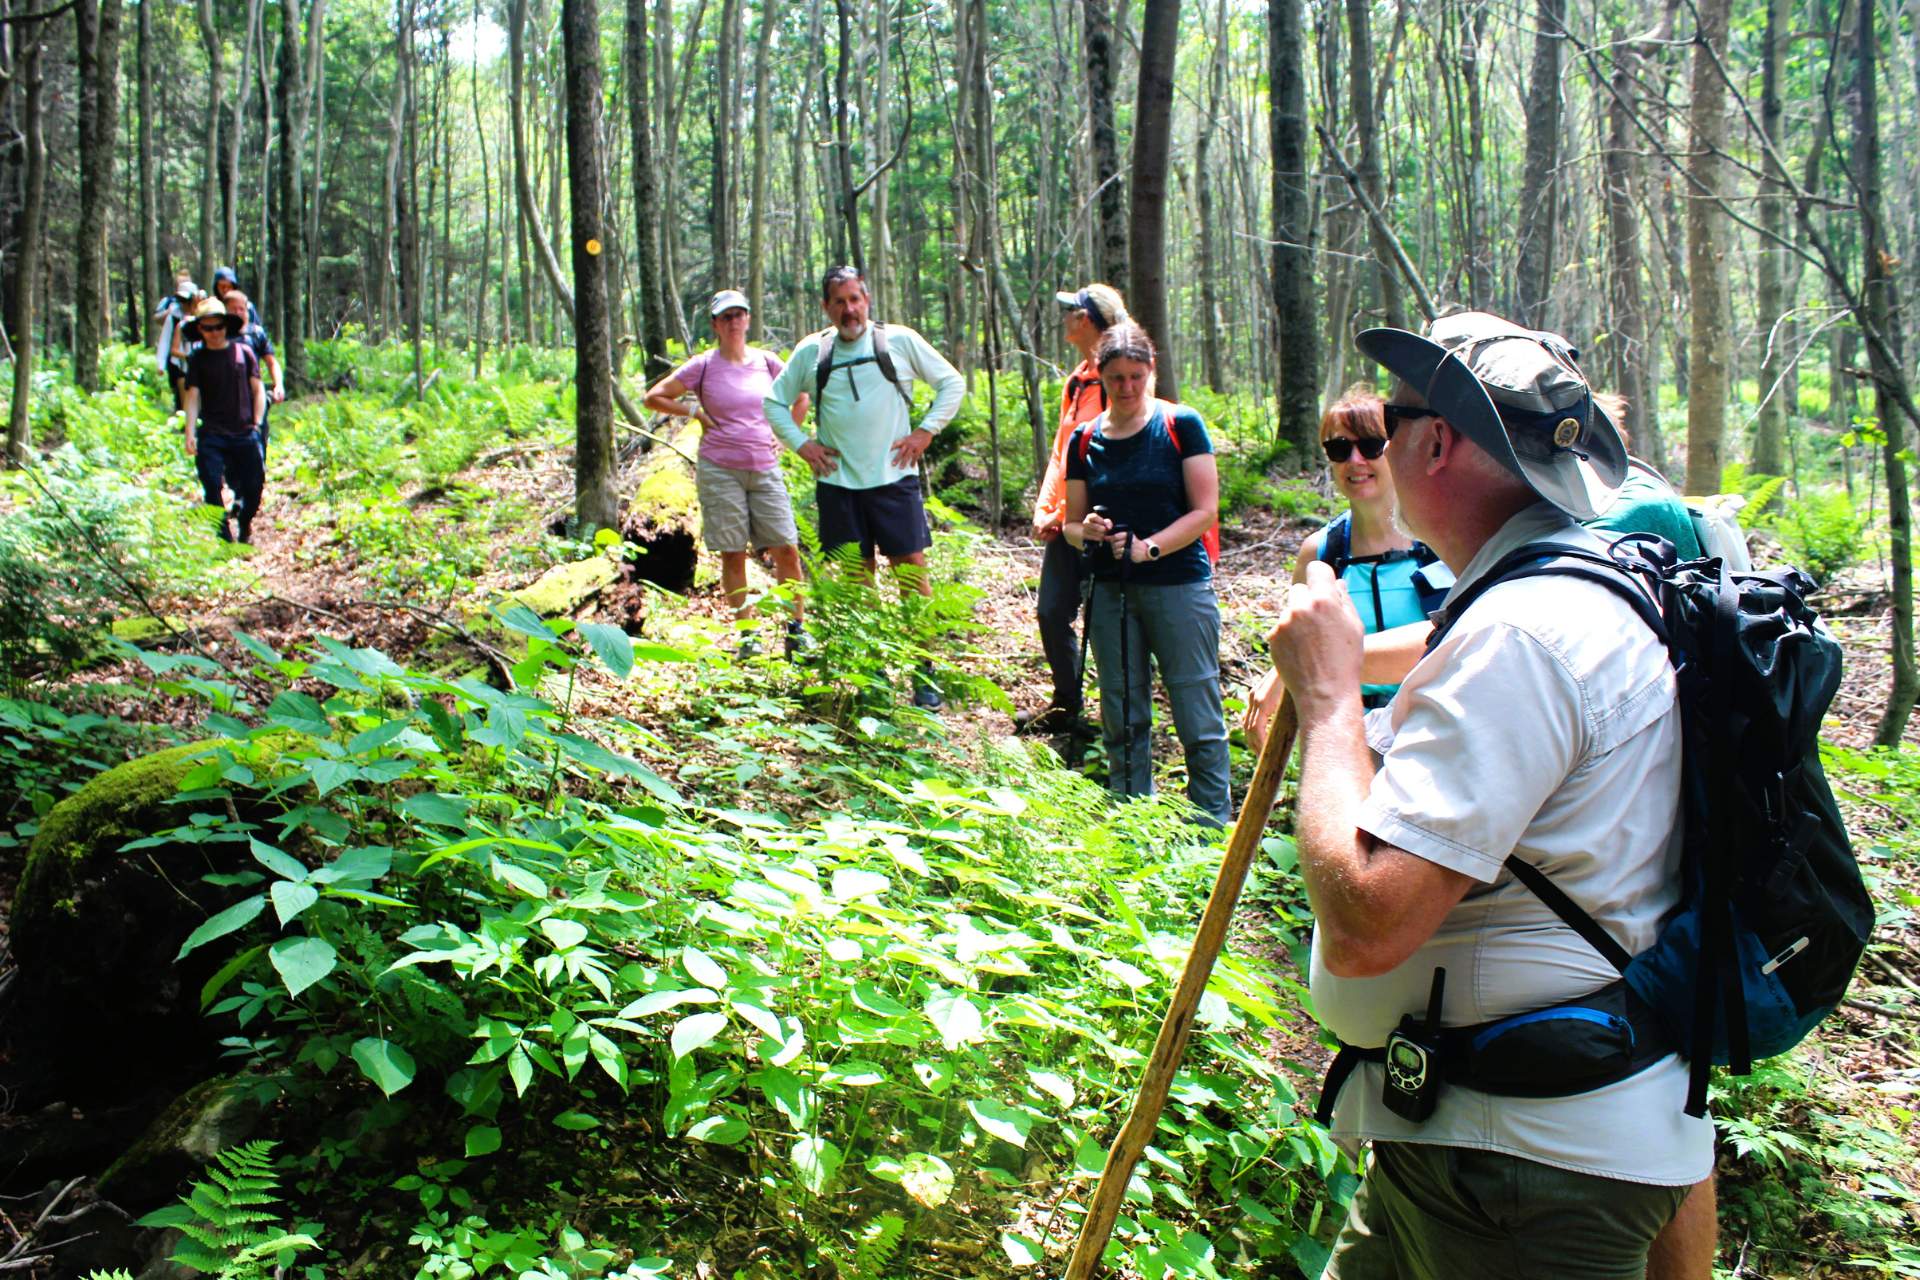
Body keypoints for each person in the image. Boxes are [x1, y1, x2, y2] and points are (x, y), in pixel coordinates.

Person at [1264, 311, 1711, 1279]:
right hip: (1476, 1138)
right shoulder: (1574, 592)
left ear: (1437, 440)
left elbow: (1368, 923)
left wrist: (1333, 698)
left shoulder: (1525, 635)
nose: (1369, 446)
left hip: (1521, 1170)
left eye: (1385, 421)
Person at [763, 265, 965, 709]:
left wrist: (926, 431)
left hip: (894, 479)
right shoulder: (812, 352)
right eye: (839, 301)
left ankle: (922, 669)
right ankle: (873, 669)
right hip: (838, 484)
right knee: (858, 578)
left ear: (867, 300)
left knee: (911, 572)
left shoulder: (900, 341)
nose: (849, 309)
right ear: (826, 307)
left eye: (855, 299)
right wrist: (801, 444)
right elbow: (773, 402)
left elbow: (952, 382)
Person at [1061, 322, 1228, 825]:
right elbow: (1070, 524)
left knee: (1196, 706)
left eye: (1137, 376)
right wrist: (1087, 531)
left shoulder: (1181, 424)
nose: (1128, 387)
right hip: (1110, 591)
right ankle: (1132, 821)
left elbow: (1205, 510)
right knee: (1122, 708)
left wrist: (1148, 549)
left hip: (1179, 585)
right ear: (1100, 378)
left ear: (1151, 372)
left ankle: (1212, 825)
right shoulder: (1084, 438)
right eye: (1117, 378)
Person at [1243, 388, 1448, 755]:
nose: (1355, 460)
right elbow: (1300, 636)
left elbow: (1454, 639)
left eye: (1370, 445)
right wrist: (1285, 668)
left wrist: (1302, 663)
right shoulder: (1321, 553)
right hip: (1351, 738)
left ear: (1394, 448)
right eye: (1339, 449)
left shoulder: (1444, 541)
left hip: (1435, 734)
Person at [646, 289, 812, 657]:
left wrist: (783, 438)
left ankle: (796, 631)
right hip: (720, 470)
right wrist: (695, 413)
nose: (734, 322)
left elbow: (801, 396)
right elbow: (655, 396)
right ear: (715, 325)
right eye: (726, 317)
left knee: (786, 548)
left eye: (739, 315)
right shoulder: (703, 365)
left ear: (748, 319)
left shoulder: (767, 362)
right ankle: (748, 635)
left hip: (765, 468)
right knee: (733, 553)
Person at [1019, 282, 1131, 735]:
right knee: (1051, 611)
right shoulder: (1076, 381)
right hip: (1066, 524)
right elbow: (1062, 452)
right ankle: (1067, 708)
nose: (1064, 318)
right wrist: (1047, 510)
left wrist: (1069, 514)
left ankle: (1120, 720)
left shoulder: (1120, 379)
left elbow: (1116, 457)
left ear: (1085, 319)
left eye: (1071, 311)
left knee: (1106, 624)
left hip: (1106, 523)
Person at [182, 297, 266, 544]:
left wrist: (257, 422)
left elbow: (258, 389)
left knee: (254, 483)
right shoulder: (197, 359)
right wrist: (190, 433)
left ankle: (245, 523)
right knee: (210, 482)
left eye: (218, 327)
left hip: (244, 431)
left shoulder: (244, 353)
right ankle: (223, 538)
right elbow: (192, 395)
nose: (214, 333)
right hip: (212, 433)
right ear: (200, 329)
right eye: (208, 328)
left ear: (226, 326)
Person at [222, 289, 285, 456]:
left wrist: (278, 385)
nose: (238, 313)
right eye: (233, 309)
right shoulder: (219, 335)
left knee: (258, 438)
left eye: (241, 309)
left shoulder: (256, 333)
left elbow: (271, 362)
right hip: (227, 399)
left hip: (255, 394)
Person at [153, 270, 198, 409]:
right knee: (181, 395)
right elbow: (165, 339)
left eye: (186, 300)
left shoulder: (202, 315)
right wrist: (160, 364)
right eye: (181, 300)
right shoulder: (173, 315)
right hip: (177, 363)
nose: (183, 304)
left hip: (197, 362)